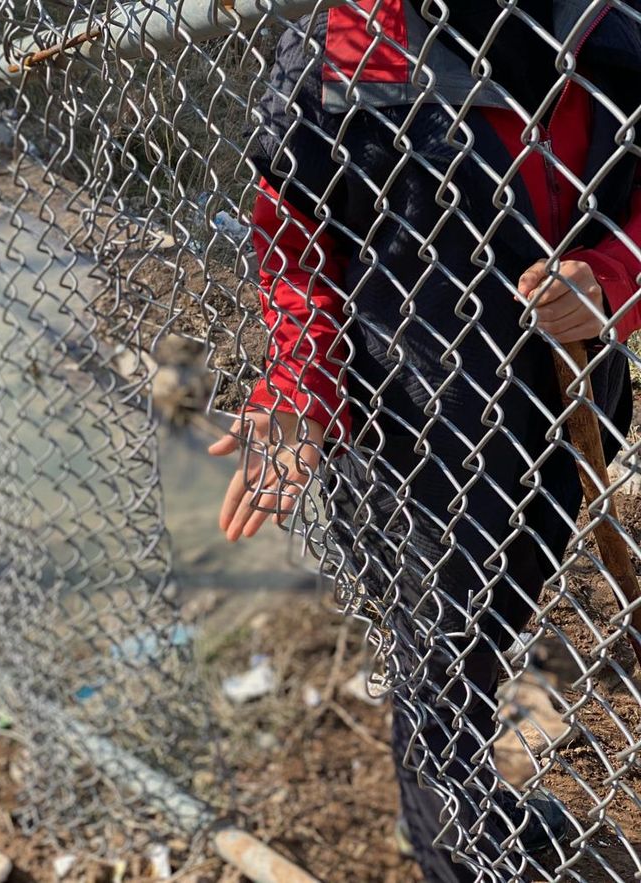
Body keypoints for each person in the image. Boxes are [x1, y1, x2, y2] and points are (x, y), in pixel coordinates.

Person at [208, 2, 641, 880]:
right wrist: (300, 385)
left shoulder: (616, 34)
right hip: (412, 427)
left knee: (502, 607)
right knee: (439, 649)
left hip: (566, 407)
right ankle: (452, 844)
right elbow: (297, 249)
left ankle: (468, 801)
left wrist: (611, 278)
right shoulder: (336, 55)